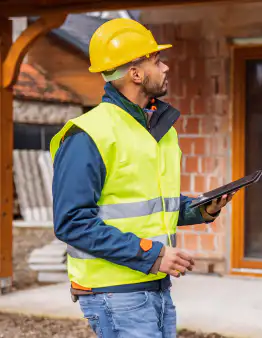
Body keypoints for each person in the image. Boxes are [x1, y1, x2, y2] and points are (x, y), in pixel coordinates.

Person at [50, 18, 232, 338]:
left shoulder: (157, 130)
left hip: (154, 286)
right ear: (136, 73)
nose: (166, 68)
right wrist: (154, 255)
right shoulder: (89, 135)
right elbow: (72, 221)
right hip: (114, 292)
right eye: (156, 61)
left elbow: (148, 207)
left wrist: (201, 209)